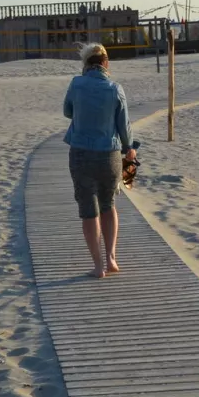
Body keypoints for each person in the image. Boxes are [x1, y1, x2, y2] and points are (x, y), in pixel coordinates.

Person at [63, 43, 136, 278]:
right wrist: (130, 150)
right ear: (105, 63)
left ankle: (97, 266)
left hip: (81, 153)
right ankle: (112, 258)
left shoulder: (76, 84)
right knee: (108, 205)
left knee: (88, 210)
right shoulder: (115, 88)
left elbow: (67, 111)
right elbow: (124, 126)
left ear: (86, 64)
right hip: (110, 155)